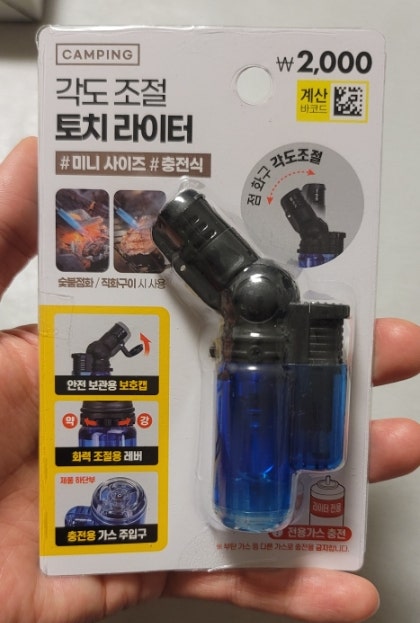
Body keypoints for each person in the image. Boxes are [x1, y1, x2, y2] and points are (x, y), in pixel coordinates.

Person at [1, 137, 419, 623]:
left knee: (296, 451)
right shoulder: (257, 303)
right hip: (247, 406)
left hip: (253, 412)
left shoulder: (256, 312)